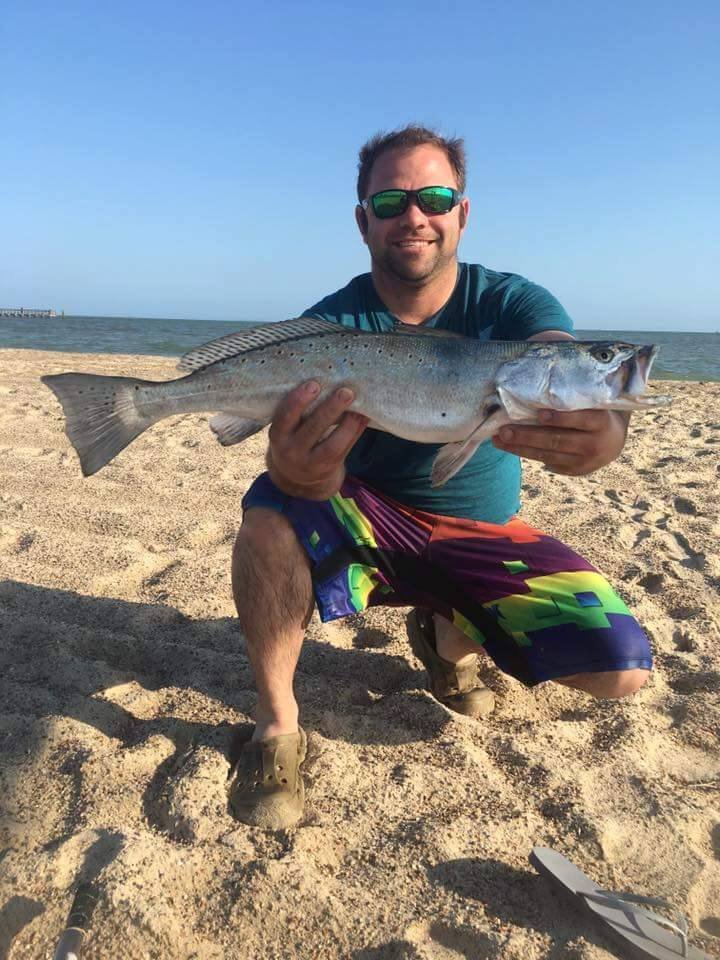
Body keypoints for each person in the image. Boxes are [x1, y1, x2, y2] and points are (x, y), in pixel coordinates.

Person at [228, 125, 652, 830]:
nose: (413, 216)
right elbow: (292, 462)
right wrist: (295, 469)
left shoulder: (511, 304)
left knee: (620, 665)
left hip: (479, 534)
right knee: (269, 511)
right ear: (363, 220)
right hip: (361, 522)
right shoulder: (329, 324)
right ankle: (276, 726)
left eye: (433, 198)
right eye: (390, 201)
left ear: (462, 212)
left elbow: (556, 352)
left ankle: (445, 634)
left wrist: (605, 427)